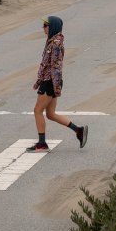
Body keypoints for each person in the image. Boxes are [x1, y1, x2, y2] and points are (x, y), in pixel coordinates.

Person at [27, 15, 88, 153]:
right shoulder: (54, 41)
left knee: (37, 111)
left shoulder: (55, 44)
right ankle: (78, 130)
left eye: (45, 25)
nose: (43, 27)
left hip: (50, 82)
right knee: (50, 114)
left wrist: (55, 87)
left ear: (52, 26)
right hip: (51, 82)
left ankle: (42, 144)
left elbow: (54, 67)